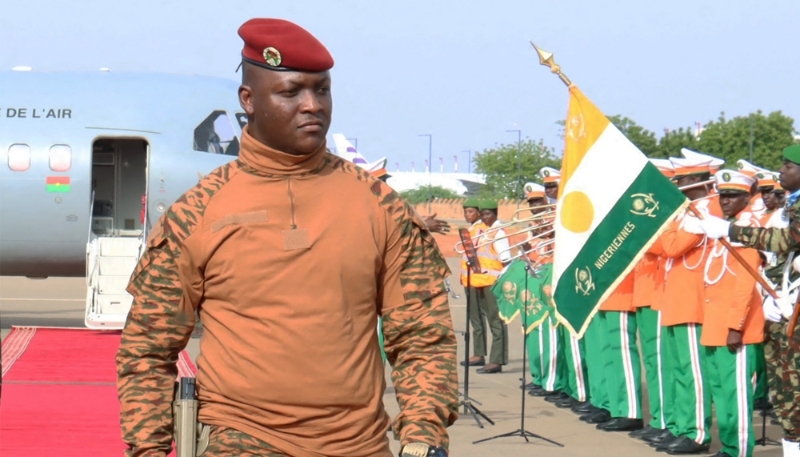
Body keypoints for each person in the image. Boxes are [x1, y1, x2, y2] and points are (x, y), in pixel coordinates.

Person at [116, 18, 458, 457]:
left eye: (322, 89)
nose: (312, 105)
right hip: (239, 438)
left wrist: (424, 434)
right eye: (291, 91)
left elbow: (422, 336)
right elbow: (147, 349)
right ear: (249, 99)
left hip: (357, 444)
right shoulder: (199, 212)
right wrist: (148, 447)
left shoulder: (379, 205)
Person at [697, 144, 800, 456]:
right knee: (784, 392)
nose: (781, 170)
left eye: (788, 165)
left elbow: (787, 240)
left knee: (794, 389)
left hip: (793, 310)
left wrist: (731, 229)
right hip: (783, 307)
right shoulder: (788, 208)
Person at [687, 169, 765, 457]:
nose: (726, 201)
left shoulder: (747, 232)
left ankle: (740, 449)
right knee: (721, 391)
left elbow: (745, 285)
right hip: (714, 325)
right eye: (722, 196)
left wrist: (736, 326)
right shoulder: (724, 230)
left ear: (747, 198)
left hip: (735, 329)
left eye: (733, 196)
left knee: (737, 394)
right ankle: (730, 446)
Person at [650, 155, 718, 455]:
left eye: (682, 180)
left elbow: (671, 246)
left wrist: (660, 229)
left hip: (691, 300)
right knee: (678, 369)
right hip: (675, 298)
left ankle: (697, 433)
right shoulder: (686, 213)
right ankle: (680, 425)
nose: (676, 185)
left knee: (692, 371)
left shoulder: (706, 210)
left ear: (696, 181)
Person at [463, 199, 510, 374]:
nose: (484, 217)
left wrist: (501, 283)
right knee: (482, 320)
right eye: (482, 214)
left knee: (496, 322)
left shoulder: (498, 232)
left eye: (488, 214)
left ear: (495, 214)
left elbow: (506, 259)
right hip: (479, 281)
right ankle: (482, 355)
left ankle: (497, 360)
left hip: (492, 283)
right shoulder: (485, 231)